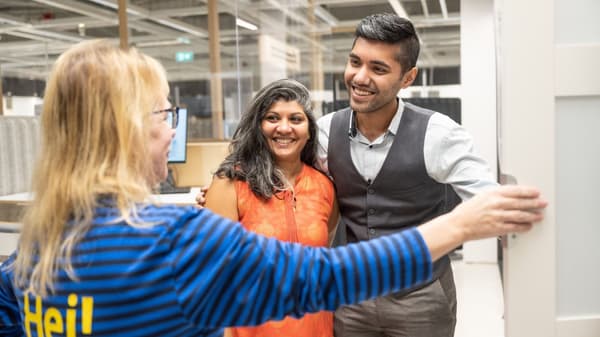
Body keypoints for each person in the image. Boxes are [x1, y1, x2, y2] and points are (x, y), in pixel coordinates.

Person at [0, 39, 546, 337]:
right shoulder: (173, 240)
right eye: (166, 112)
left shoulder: (28, 257)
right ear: (124, 128)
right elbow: (324, 275)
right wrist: (462, 224)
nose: (172, 129)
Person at [316, 13, 498, 337]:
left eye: (378, 68)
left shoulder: (438, 134)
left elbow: (490, 201)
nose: (359, 77)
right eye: (355, 62)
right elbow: (284, 177)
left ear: (408, 77)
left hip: (421, 298)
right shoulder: (326, 132)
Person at [205, 79, 338, 337]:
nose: (284, 128)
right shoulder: (231, 183)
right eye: (272, 118)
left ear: (310, 130)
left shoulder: (324, 187)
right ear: (258, 126)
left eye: (296, 119)